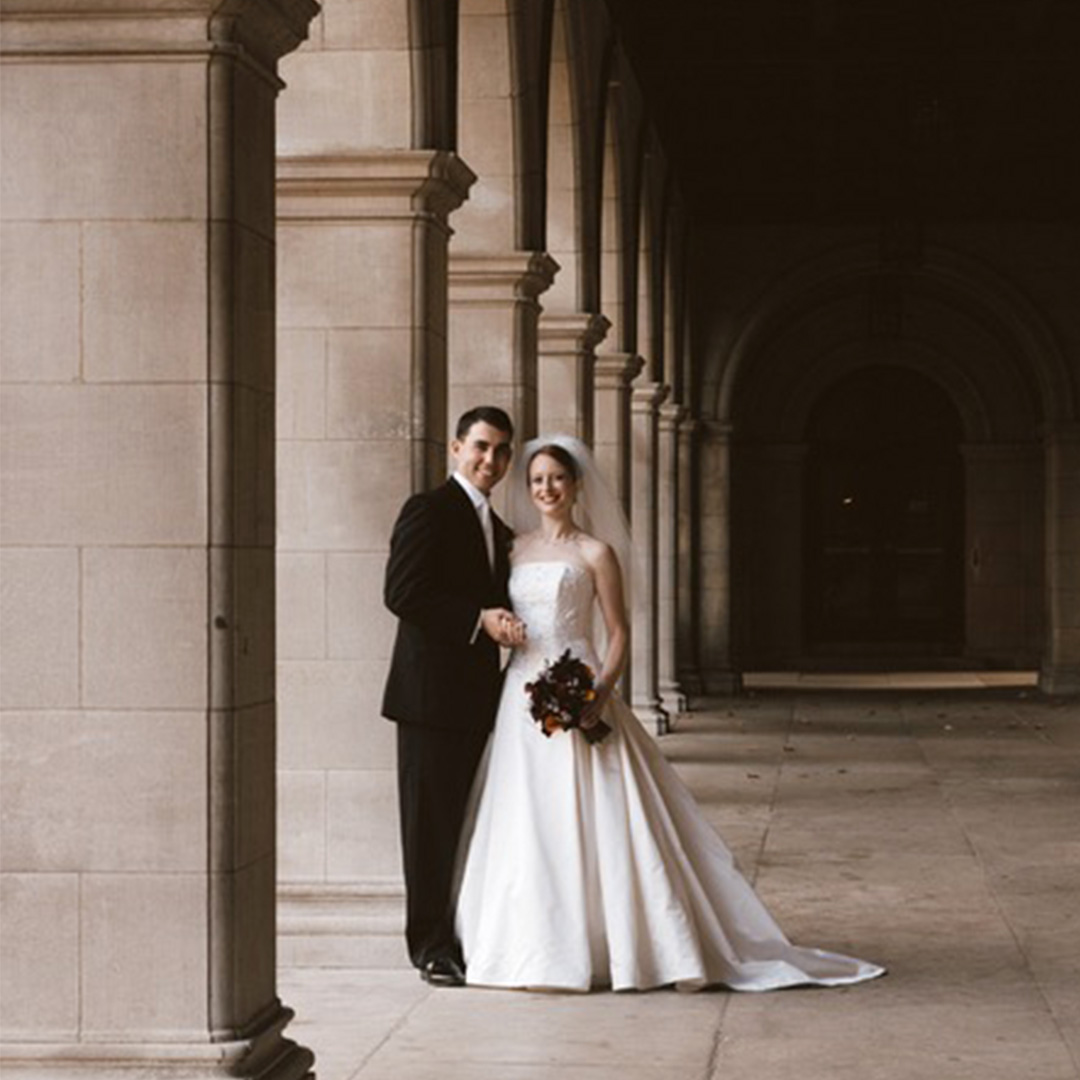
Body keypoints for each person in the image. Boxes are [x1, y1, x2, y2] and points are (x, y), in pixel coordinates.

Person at [454, 435, 886, 992]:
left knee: (598, 813)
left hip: (580, 681)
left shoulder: (594, 553)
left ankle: (625, 946)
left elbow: (618, 633)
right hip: (520, 695)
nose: (546, 489)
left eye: (557, 478)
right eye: (537, 480)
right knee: (529, 816)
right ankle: (533, 949)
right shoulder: (513, 551)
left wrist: (598, 695)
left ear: (576, 484)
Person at [382, 405, 525, 986]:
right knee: (430, 827)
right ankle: (430, 947)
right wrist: (479, 620)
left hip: (480, 700)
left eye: (500, 451)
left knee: (468, 825)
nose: (490, 460)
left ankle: (464, 933)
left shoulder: (501, 529)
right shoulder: (428, 509)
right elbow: (402, 593)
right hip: (428, 699)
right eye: (481, 447)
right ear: (456, 447)